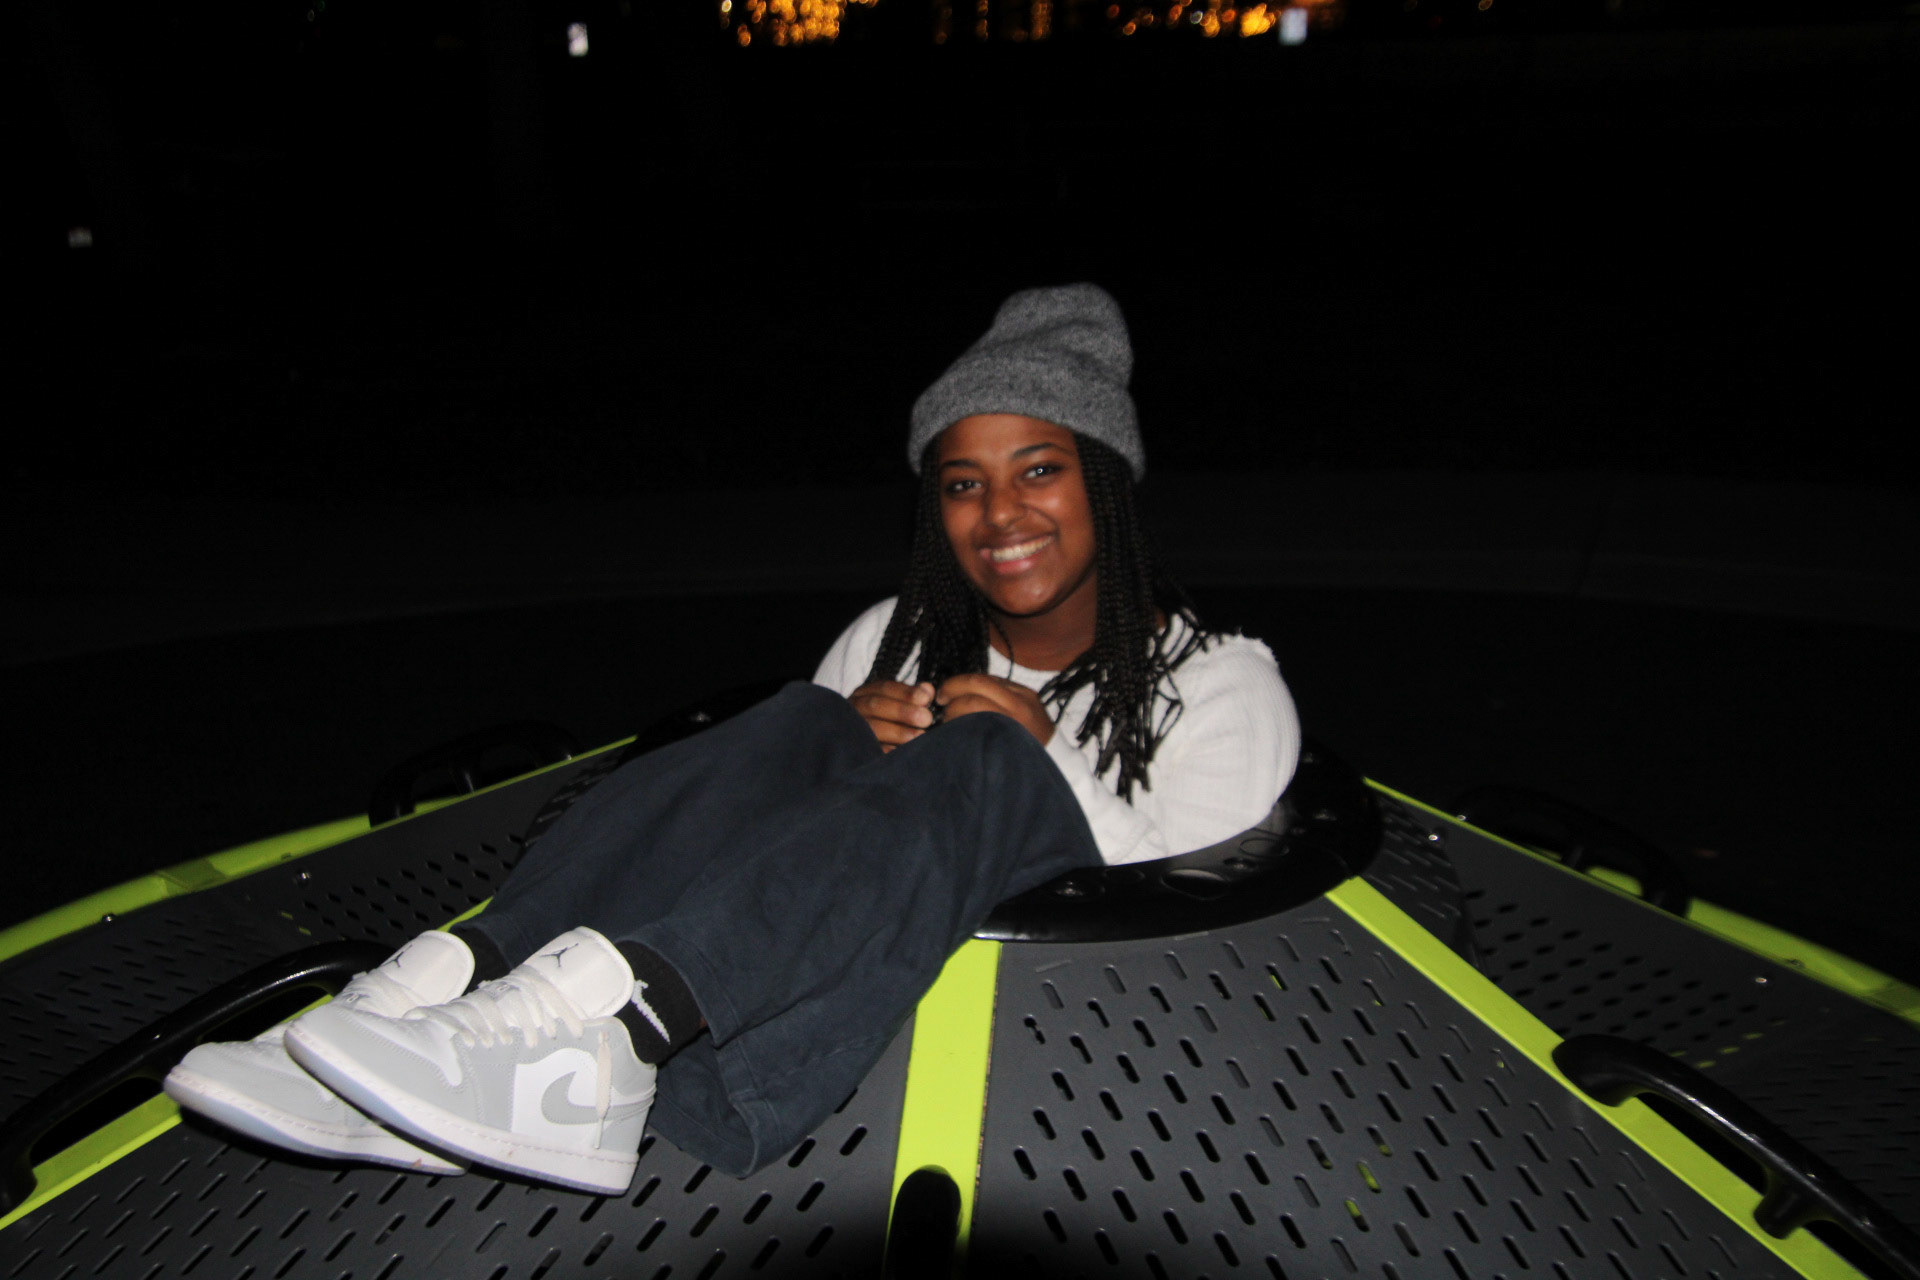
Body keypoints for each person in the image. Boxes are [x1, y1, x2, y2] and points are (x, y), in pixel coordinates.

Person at [163, 283, 1301, 1195]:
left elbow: (1197, 922)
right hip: (808, 982)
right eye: (963, 485)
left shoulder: (1221, 683)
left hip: (1067, 1045)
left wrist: (1038, 756)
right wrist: (847, 747)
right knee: (807, 717)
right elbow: (768, 836)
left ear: (1108, 481)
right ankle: (459, 993)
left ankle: (621, 1032)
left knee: (984, 756)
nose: (1001, 515)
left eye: (1040, 469)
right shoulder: (889, 637)